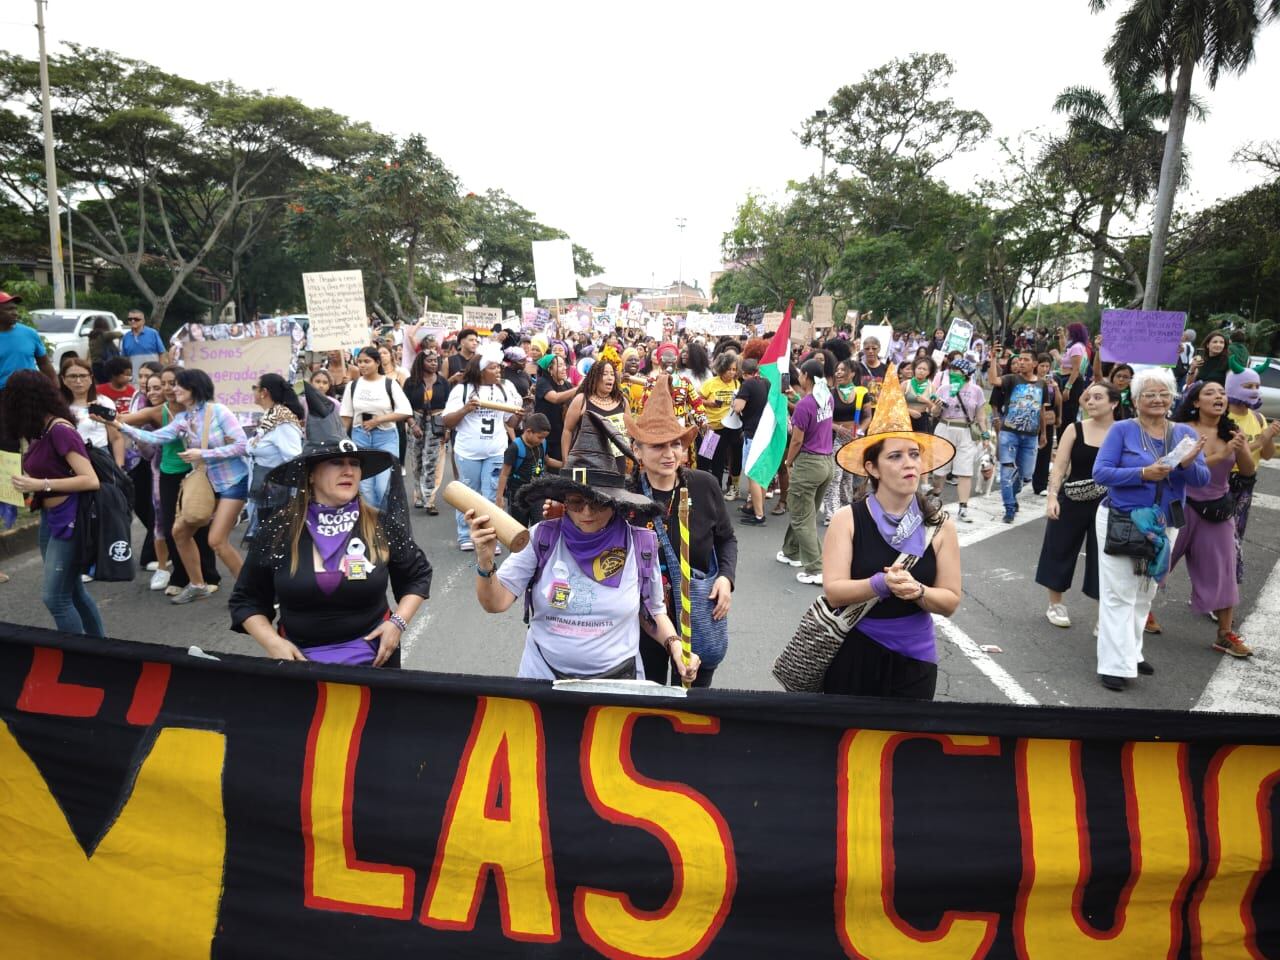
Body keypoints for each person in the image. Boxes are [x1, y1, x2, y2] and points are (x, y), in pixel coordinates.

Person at [464, 412, 698, 683]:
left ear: (615, 502)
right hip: (543, 681)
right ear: (563, 500)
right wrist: (484, 562)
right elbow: (495, 602)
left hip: (617, 684)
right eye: (575, 502)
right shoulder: (542, 537)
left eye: (597, 502)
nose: (586, 512)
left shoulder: (640, 543)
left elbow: (653, 612)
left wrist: (674, 645)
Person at [820, 365, 960, 700]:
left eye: (913, 454)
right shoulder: (847, 519)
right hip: (854, 650)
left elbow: (951, 600)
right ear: (872, 467)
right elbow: (834, 591)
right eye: (895, 456)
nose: (909, 463)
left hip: (916, 659)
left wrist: (917, 591)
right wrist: (881, 584)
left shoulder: (941, 525)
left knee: (905, 747)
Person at [230, 439, 431, 666]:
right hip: (301, 668)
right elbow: (247, 599)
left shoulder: (380, 525)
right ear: (311, 475)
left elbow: (417, 575)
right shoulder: (279, 530)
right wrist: (272, 643)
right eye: (336, 463)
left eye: (354, 464)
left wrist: (397, 623)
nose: (348, 471)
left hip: (376, 664)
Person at [1092, 367, 1208, 692]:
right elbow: (1101, 473)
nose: (1157, 399)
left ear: (1173, 397)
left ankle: (1131, 651)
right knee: (1119, 593)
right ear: (1136, 399)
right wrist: (1142, 473)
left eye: (1163, 393)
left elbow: (1202, 480)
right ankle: (1115, 665)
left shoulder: (1182, 432)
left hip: (1165, 523)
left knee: (1146, 592)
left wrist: (1186, 464)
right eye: (1149, 394)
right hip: (1123, 519)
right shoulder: (1122, 430)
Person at [625, 376, 737, 687]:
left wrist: (726, 578)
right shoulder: (625, 498)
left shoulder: (704, 485)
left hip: (698, 612)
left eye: (675, 444)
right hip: (645, 618)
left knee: (694, 701)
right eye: (657, 445)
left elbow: (726, 539)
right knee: (651, 696)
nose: (669, 453)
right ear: (637, 450)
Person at [111, 368, 249, 604]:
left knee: (216, 540)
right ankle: (197, 585)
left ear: (193, 389)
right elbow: (156, 438)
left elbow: (242, 445)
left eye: (179, 386)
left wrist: (204, 453)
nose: (173, 389)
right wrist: (118, 424)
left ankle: (251, 591)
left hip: (232, 482)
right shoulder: (185, 418)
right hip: (207, 484)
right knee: (178, 532)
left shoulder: (219, 411)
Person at [4, 370, 104, 631]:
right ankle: (101, 651)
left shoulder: (60, 430)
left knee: (56, 597)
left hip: (69, 518)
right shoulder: (41, 431)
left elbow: (90, 479)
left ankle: (78, 657)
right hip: (51, 518)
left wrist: (40, 484)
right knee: (74, 593)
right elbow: (50, 469)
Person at [1167, 381, 1256, 658]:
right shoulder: (1182, 430)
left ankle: (1225, 634)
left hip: (1217, 509)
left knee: (1224, 570)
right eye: (1209, 393)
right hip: (1181, 504)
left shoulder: (1231, 431)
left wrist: (1240, 448)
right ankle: (1140, 612)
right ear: (1195, 402)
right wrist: (1224, 452)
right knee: (1159, 559)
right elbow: (1182, 466)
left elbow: (1249, 470)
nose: (1218, 396)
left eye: (1221, 393)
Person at [1037, 381, 1119, 629]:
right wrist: (1052, 497)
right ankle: (1055, 604)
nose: (1091, 402)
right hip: (1071, 500)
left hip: (1109, 504)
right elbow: (1059, 467)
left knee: (1104, 559)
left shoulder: (1124, 431)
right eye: (1089, 397)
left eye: (1098, 398)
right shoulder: (1075, 429)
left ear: (1114, 403)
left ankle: (1102, 615)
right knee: (1059, 549)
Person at [442, 344, 523, 551]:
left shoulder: (505, 389)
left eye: (499, 367)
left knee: (491, 495)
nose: (498, 371)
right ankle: (465, 535)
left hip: (495, 451)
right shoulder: (462, 390)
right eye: (493, 367)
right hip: (468, 452)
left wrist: (518, 416)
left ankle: (490, 538)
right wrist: (466, 409)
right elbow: (448, 421)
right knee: (468, 494)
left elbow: (511, 422)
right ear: (481, 370)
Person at [776, 359, 834, 585]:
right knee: (805, 511)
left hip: (809, 463)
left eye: (800, 374)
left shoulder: (805, 405)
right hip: (826, 462)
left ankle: (816, 568)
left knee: (801, 516)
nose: (798, 376)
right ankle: (791, 551)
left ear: (806, 376)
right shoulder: (826, 397)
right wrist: (795, 398)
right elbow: (810, 409)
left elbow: (797, 439)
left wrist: (788, 462)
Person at [339, 346, 412, 509]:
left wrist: (378, 420)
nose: (363, 365)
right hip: (360, 437)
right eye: (360, 362)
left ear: (377, 362)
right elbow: (346, 417)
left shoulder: (390, 384)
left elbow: (406, 411)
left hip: (386, 437)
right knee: (365, 488)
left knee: (383, 486)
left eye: (367, 361)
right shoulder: (352, 386)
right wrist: (341, 441)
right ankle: (373, 526)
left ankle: (384, 521)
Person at [1225, 368, 1279, 585]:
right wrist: (1262, 439)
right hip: (1223, 483)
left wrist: (1269, 437)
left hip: (1247, 485)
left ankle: (1223, 590)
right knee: (1222, 540)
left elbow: (1266, 456)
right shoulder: (1223, 418)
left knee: (1236, 538)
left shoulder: (1258, 418)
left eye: (1257, 386)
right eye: (1248, 386)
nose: (1254, 391)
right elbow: (1229, 454)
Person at [244, 373, 305, 541]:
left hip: (275, 491)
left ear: (264, 392)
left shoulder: (283, 420)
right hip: (264, 486)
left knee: (271, 540)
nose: (253, 391)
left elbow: (294, 458)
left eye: (255, 388)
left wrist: (293, 496)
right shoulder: (271, 415)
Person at [929, 357, 988, 522]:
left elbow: (980, 415)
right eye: (952, 370)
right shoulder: (944, 388)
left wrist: (985, 434)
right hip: (944, 428)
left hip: (965, 431)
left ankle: (963, 507)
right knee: (939, 469)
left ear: (966, 373)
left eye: (957, 370)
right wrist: (938, 406)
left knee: (965, 471)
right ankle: (935, 495)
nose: (953, 372)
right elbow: (933, 413)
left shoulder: (976, 390)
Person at [991, 348, 1046, 522]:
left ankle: (1012, 496)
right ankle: (1009, 508)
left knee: (1024, 475)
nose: (1021, 362)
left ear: (1035, 364)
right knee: (1007, 473)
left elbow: (1042, 410)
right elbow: (993, 380)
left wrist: (1043, 433)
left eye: (1026, 360)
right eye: (1019, 359)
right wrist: (993, 359)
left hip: (1030, 436)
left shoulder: (1042, 384)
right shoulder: (1011, 379)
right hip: (1009, 433)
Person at [404, 347, 449, 514]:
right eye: (429, 360)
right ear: (421, 362)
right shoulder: (411, 382)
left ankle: (429, 500)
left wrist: (447, 429)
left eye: (435, 361)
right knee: (416, 462)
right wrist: (412, 424)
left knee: (431, 461)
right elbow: (404, 405)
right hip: (415, 420)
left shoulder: (443, 382)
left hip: (437, 422)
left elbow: (448, 407)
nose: (433, 363)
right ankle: (418, 495)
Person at [562, 357, 628, 467]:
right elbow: (567, 430)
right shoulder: (581, 400)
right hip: (587, 462)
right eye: (605, 374)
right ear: (595, 377)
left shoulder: (622, 402)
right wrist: (565, 460)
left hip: (617, 463)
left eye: (612, 374)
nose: (610, 377)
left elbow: (629, 432)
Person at [60, 357, 124, 467]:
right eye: (73, 376)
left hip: (100, 458)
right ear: (63, 379)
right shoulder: (58, 406)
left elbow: (116, 438)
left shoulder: (103, 402)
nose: (78, 381)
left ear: (91, 378)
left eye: (83, 376)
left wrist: (119, 469)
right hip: (68, 460)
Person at [495, 412, 554, 528]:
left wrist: (565, 464)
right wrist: (499, 497)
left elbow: (548, 460)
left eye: (544, 438)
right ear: (528, 432)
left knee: (539, 525)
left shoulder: (542, 444)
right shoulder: (515, 448)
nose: (542, 440)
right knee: (518, 527)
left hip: (538, 492)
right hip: (518, 494)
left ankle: (535, 546)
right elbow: (504, 474)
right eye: (540, 437)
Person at [732, 357, 772, 525]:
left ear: (743, 372)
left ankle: (758, 515)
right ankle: (758, 508)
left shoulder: (747, 385)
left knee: (752, 474)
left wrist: (734, 402)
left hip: (752, 433)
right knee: (761, 474)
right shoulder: (766, 383)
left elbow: (739, 407)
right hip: (765, 433)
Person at [698, 352, 741, 493]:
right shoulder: (711, 383)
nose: (732, 372)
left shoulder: (736, 384)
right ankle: (701, 488)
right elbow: (697, 401)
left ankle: (716, 489)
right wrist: (709, 403)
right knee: (705, 459)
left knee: (719, 460)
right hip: (712, 427)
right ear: (722, 368)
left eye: (734, 370)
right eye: (729, 369)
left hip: (726, 428)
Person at [534, 353, 576, 464]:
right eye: (560, 365)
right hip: (545, 438)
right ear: (550, 369)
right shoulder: (542, 382)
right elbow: (555, 398)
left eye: (564, 365)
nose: (565, 368)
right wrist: (579, 388)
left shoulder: (568, 386)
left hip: (562, 438)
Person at [1031, 354, 1062, 495]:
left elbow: (1058, 402)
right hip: (1031, 416)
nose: (1044, 369)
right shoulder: (1030, 379)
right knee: (1029, 449)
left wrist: (1055, 388)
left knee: (1045, 450)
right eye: (1042, 366)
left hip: (1048, 417)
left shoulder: (1053, 380)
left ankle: (1040, 484)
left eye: (1047, 366)